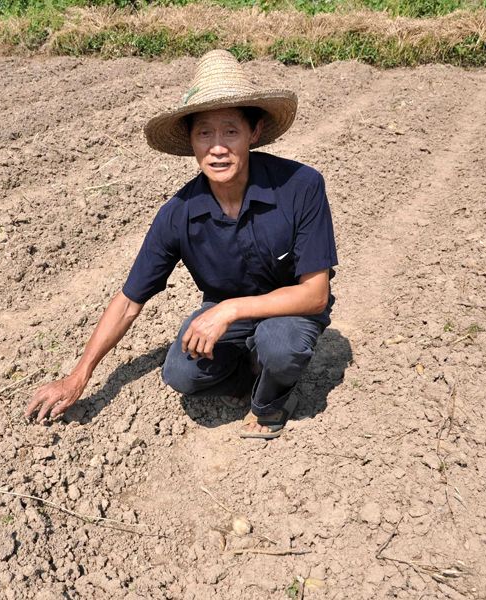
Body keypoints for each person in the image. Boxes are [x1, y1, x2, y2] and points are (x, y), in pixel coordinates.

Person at [24, 50, 337, 439]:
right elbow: (128, 302)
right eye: (205, 133)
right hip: (227, 315)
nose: (217, 147)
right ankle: (253, 370)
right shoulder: (178, 214)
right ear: (190, 141)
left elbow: (315, 294)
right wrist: (78, 376)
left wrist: (229, 309)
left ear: (253, 134)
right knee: (180, 373)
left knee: (280, 343)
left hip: (291, 311)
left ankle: (274, 398)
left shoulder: (300, 186)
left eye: (230, 131)